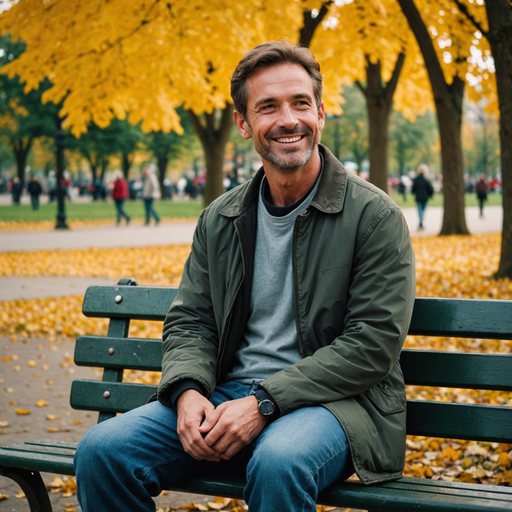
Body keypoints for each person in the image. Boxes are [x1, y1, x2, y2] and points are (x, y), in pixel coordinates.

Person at [74, 41, 416, 512]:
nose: (288, 120)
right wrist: (188, 391)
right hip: (226, 393)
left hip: (339, 405)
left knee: (279, 460)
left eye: (300, 103)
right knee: (102, 452)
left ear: (320, 111)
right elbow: (191, 321)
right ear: (243, 123)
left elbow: (371, 345)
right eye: (268, 107)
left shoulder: (375, 216)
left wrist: (264, 404)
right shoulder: (221, 218)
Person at [411, 164, 434, 230]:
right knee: (423, 210)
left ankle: (421, 221)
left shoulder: (416, 180)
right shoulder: (426, 180)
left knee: (420, 210)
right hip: (425, 197)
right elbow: (430, 189)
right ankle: (421, 221)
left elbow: (413, 189)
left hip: (418, 197)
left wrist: (414, 192)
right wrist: (430, 194)